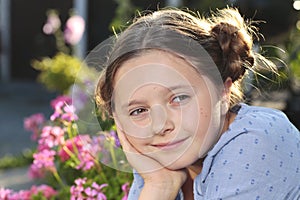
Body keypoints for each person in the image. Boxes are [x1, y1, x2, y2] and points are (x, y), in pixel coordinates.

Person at [95, 7, 300, 199]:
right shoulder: (160, 162)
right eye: (138, 110)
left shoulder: (257, 141)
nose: (159, 125)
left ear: (223, 90)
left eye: (179, 98)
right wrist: (159, 187)